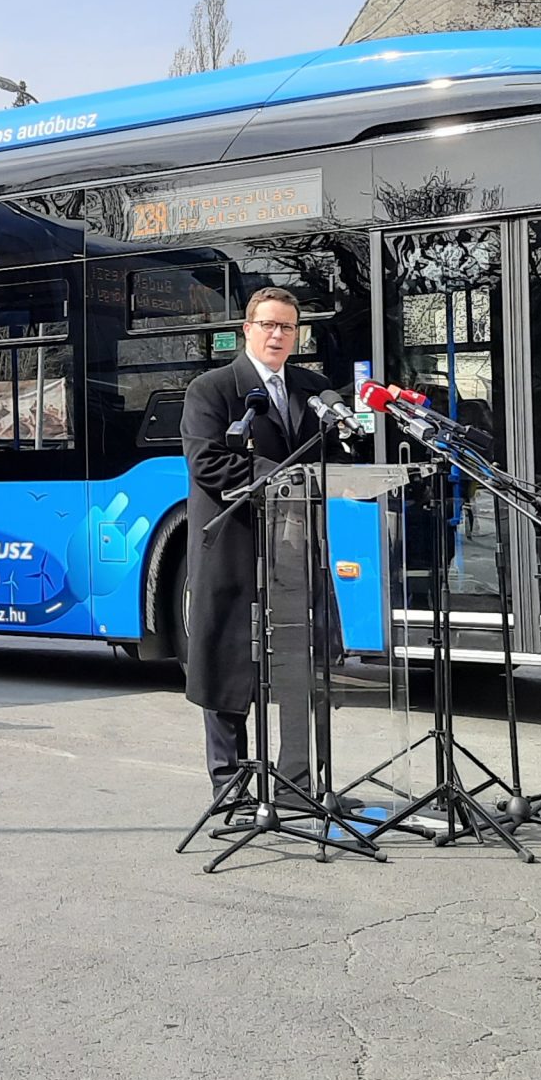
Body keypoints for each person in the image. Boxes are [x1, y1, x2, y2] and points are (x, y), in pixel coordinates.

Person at [180, 287, 343, 800]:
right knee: (230, 665)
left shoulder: (313, 389)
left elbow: (331, 456)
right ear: (246, 330)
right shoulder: (213, 389)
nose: (278, 335)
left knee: (299, 663)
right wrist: (277, 477)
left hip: (295, 552)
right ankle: (231, 786)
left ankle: (296, 782)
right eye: (268, 325)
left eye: (287, 328)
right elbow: (206, 463)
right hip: (234, 548)